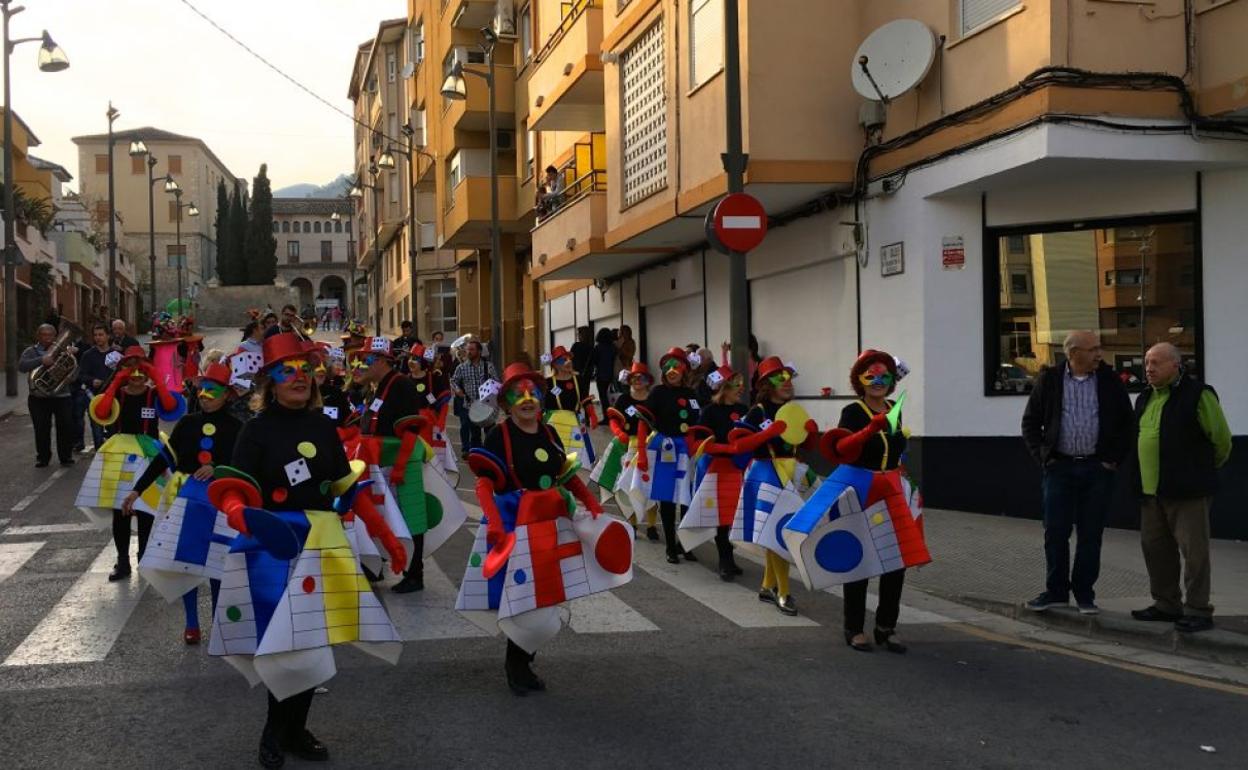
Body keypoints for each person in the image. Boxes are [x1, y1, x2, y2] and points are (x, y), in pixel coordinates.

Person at [206, 332, 406, 769]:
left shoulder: (322, 427)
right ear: (270, 382)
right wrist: (244, 517)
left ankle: (294, 730)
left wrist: (387, 539)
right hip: (273, 550)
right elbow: (231, 492)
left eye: (306, 370)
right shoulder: (254, 431)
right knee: (284, 646)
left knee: (311, 644)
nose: (299, 378)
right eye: (287, 371)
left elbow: (345, 490)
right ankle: (275, 731)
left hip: (320, 544)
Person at [457, 362, 631, 695]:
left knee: (545, 593)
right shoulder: (499, 435)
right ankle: (517, 664)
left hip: (551, 522)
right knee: (524, 595)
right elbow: (483, 485)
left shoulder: (549, 432)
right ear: (506, 403)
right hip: (516, 524)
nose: (527, 400)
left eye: (532, 393)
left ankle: (525, 656)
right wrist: (494, 524)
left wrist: (590, 503)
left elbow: (563, 473)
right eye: (518, 395)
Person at [785, 351, 931, 651]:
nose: (878, 381)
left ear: (892, 381)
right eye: (871, 376)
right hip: (860, 488)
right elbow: (839, 449)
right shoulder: (853, 411)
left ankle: (886, 626)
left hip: (890, 487)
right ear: (859, 380)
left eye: (884, 376)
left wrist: (908, 483)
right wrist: (869, 430)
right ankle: (853, 628)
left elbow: (895, 452)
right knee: (859, 558)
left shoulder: (894, 408)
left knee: (895, 561)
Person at [127, 360, 241, 644]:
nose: (204, 396)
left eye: (212, 390)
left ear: (227, 394)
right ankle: (192, 622)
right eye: (202, 389)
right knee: (186, 562)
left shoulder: (238, 427)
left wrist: (219, 469)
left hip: (222, 502)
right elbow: (164, 458)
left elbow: (244, 465)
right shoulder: (188, 423)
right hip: (186, 500)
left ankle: (217, 620)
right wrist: (137, 490)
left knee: (217, 561)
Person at [1021, 331, 1133, 615]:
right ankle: (1056, 592)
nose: (1099, 353)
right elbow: (1030, 422)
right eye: (1093, 348)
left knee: (1091, 533)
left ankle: (1085, 594)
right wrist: (1043, 458)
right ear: (1073, 353)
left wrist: (1113, 460)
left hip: (1097, 468)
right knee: (1056, 531)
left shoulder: (1109, 381)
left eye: (1099, 348)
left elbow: (1127, 424)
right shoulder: (1050, 380)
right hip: (1060, 467)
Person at [1130, 343, 1232, 634]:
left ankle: (1198, 609)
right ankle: (1166, 604)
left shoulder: (1199, 394)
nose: (1148, 368)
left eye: (1156, 363)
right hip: (1151, 491)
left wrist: (1200, 471)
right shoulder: (1145, 397)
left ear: (1176, 365)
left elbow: (1221, 440)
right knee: (1155, 549)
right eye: (1147, 363)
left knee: (1194, 552)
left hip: (1188, 490)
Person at [358, 337, 467, 594]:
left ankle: (415, 574)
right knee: (386, 517)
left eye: (367, 359)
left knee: (412, 517)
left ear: (382, 361)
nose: (362, 364)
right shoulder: (380, 386)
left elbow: (410, 429)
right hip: (382, 463)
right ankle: (378, 565)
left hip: (401, 462)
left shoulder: (401, 385)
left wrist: (400, 465)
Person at [77, 346, 187, 581]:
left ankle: (144, 558)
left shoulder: (154, 393)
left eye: (140, 367)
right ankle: (122, 561)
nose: (136, 374)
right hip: (120, 455)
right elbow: (103, 412)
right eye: (130, 366)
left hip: (149, 454)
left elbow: (170, 408)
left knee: (147, 510)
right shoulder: (118, 392)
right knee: (121, 512)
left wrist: (156, 376)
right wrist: (116, 382)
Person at [732, 356, 818, 615]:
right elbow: (739, 446)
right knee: (779, 531)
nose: (787, 383)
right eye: (781, 378)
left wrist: (811, 434)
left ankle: (768, 585)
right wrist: (768, 433)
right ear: (767, 383)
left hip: (791, 472)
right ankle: (783, 591)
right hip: (765, 474)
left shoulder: (794, 411)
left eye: (789, 378)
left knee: (777, 531)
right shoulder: (757, 411)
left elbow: (806, 447)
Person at [681, 366, 757, 581]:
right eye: (735, 384)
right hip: (717, 469)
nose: (740, 389)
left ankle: (729, 558)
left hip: (740, 469)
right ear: (723, 387)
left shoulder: (745, 410)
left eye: (741, 384)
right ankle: (725, 559)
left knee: (735, 515)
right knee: (722, 515)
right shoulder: (709, 411)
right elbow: (700, 442)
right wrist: (726, 450)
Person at [635, 347, 702, 563]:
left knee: (686, 500)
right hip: (664, 450)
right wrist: (642, 453)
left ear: (685, 370)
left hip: (686, 451)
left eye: (677, 366)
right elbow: (643, 422)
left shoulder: (691, 394)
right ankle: (670, 546)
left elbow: (696, 425)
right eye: (667, 366)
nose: (672, 370)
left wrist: (695, 446)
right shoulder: (657, 393)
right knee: (667, 498)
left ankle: (685, 544)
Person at [19, 324, 78, 468]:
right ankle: (43, 458)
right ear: (38, 336)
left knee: (65, 428)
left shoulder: (64, 351)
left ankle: (65, 456)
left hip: (62, 396)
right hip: (38, 398)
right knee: (41, 429)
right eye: (43, 335)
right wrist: (41, 360)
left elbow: (75, 369)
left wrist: (71, 377)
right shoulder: (31, 351)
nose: (47, 338)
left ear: (55, 336)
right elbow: (22, 366)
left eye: (50, 335)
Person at [542, 345, 598, 465]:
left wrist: (592, 414)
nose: (568, 362)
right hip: (554, 426)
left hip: (575, 423)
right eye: (563, 360)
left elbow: (585, 399)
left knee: (580, 458)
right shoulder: (548, 383)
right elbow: (542, 406)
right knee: (556, 457)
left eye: (568, 358)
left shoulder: (578, 379)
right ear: (555, 364)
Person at [450, 339, 498, 458]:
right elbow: (453, 381)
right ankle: (475, 454)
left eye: (472, 349)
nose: (468, 352)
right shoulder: (461, 368)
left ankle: (490, 452)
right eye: (467, 350)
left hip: (487, 405)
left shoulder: (488, 366)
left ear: (479, 351)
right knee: (474, 433)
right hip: (470, 404)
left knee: (490, 431)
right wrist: (457, 390)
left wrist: (492, 397)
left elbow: (496, 381)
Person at [77, 323, 115, 452]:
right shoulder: (88, 355)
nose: (98, 338)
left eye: (101, 335)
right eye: (95, 335)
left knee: (113, 429)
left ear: (108, 336)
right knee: (97, 429)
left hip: (113, 397)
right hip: (93, 396)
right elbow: (81, 375)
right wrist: (92, 380)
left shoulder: (116, 354)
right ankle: (99, 452)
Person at [591, 328, 619, 421]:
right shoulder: (613, 347)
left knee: (603, 398)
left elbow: (594, 361)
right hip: (612, 375)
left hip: (601, 375)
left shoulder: (598, 347)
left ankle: (606, 418)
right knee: (613, 396)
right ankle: (615, 415)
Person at [570, 326, 594, 400]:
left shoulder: (576, 346)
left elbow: (570, 357)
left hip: (576, 373)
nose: (578, 336)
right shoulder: (591, 347)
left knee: (575, 393)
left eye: (579, 334)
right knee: (585, 393)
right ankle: (587, 409)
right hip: (587, 374)